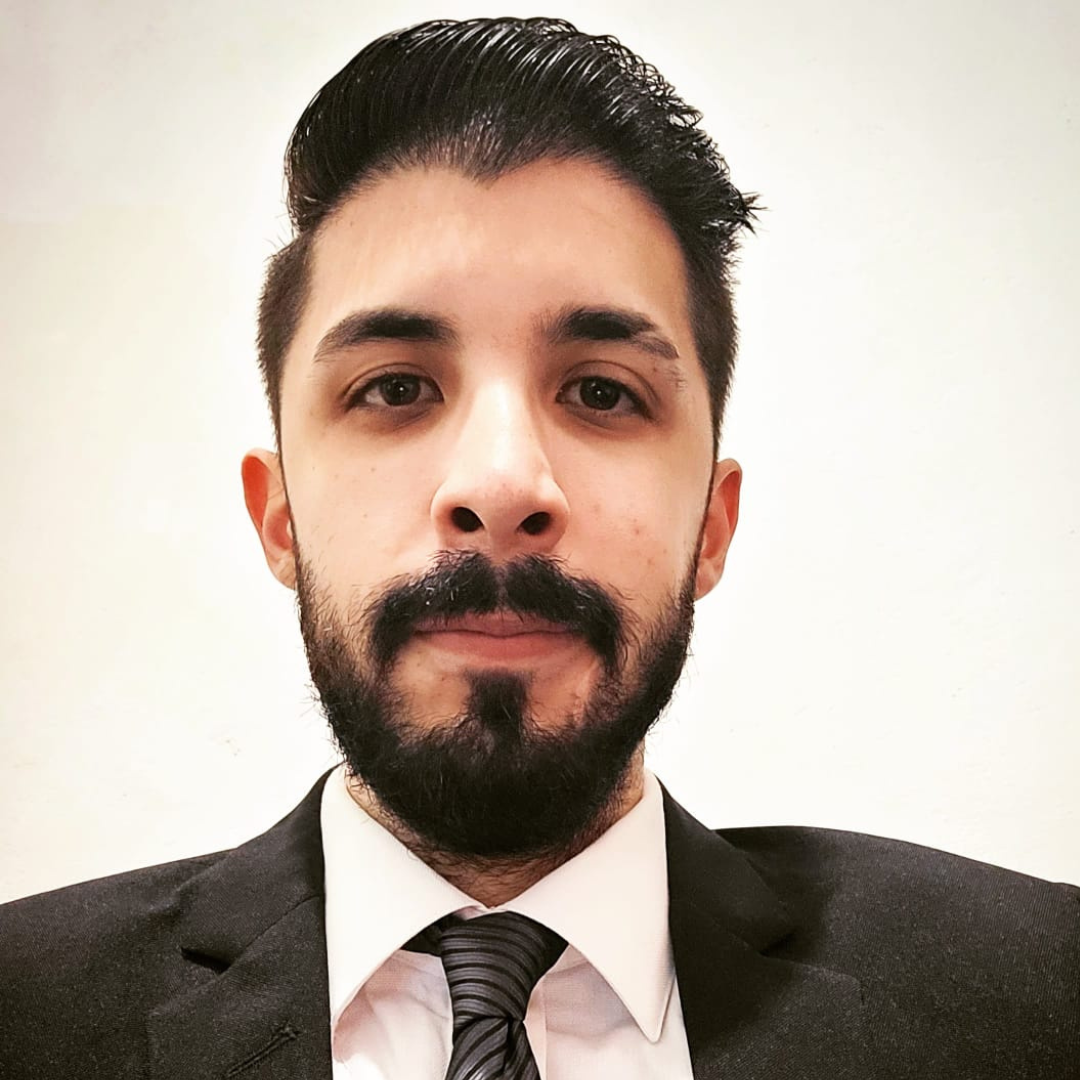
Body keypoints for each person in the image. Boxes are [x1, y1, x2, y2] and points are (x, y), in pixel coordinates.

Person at [1, 16, 1076, 1079]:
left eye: (602, 393)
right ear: (279, 515)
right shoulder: (26, 1011)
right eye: (396, 388)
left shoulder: (1039, 993)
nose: (503, 486)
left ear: (711, 525)